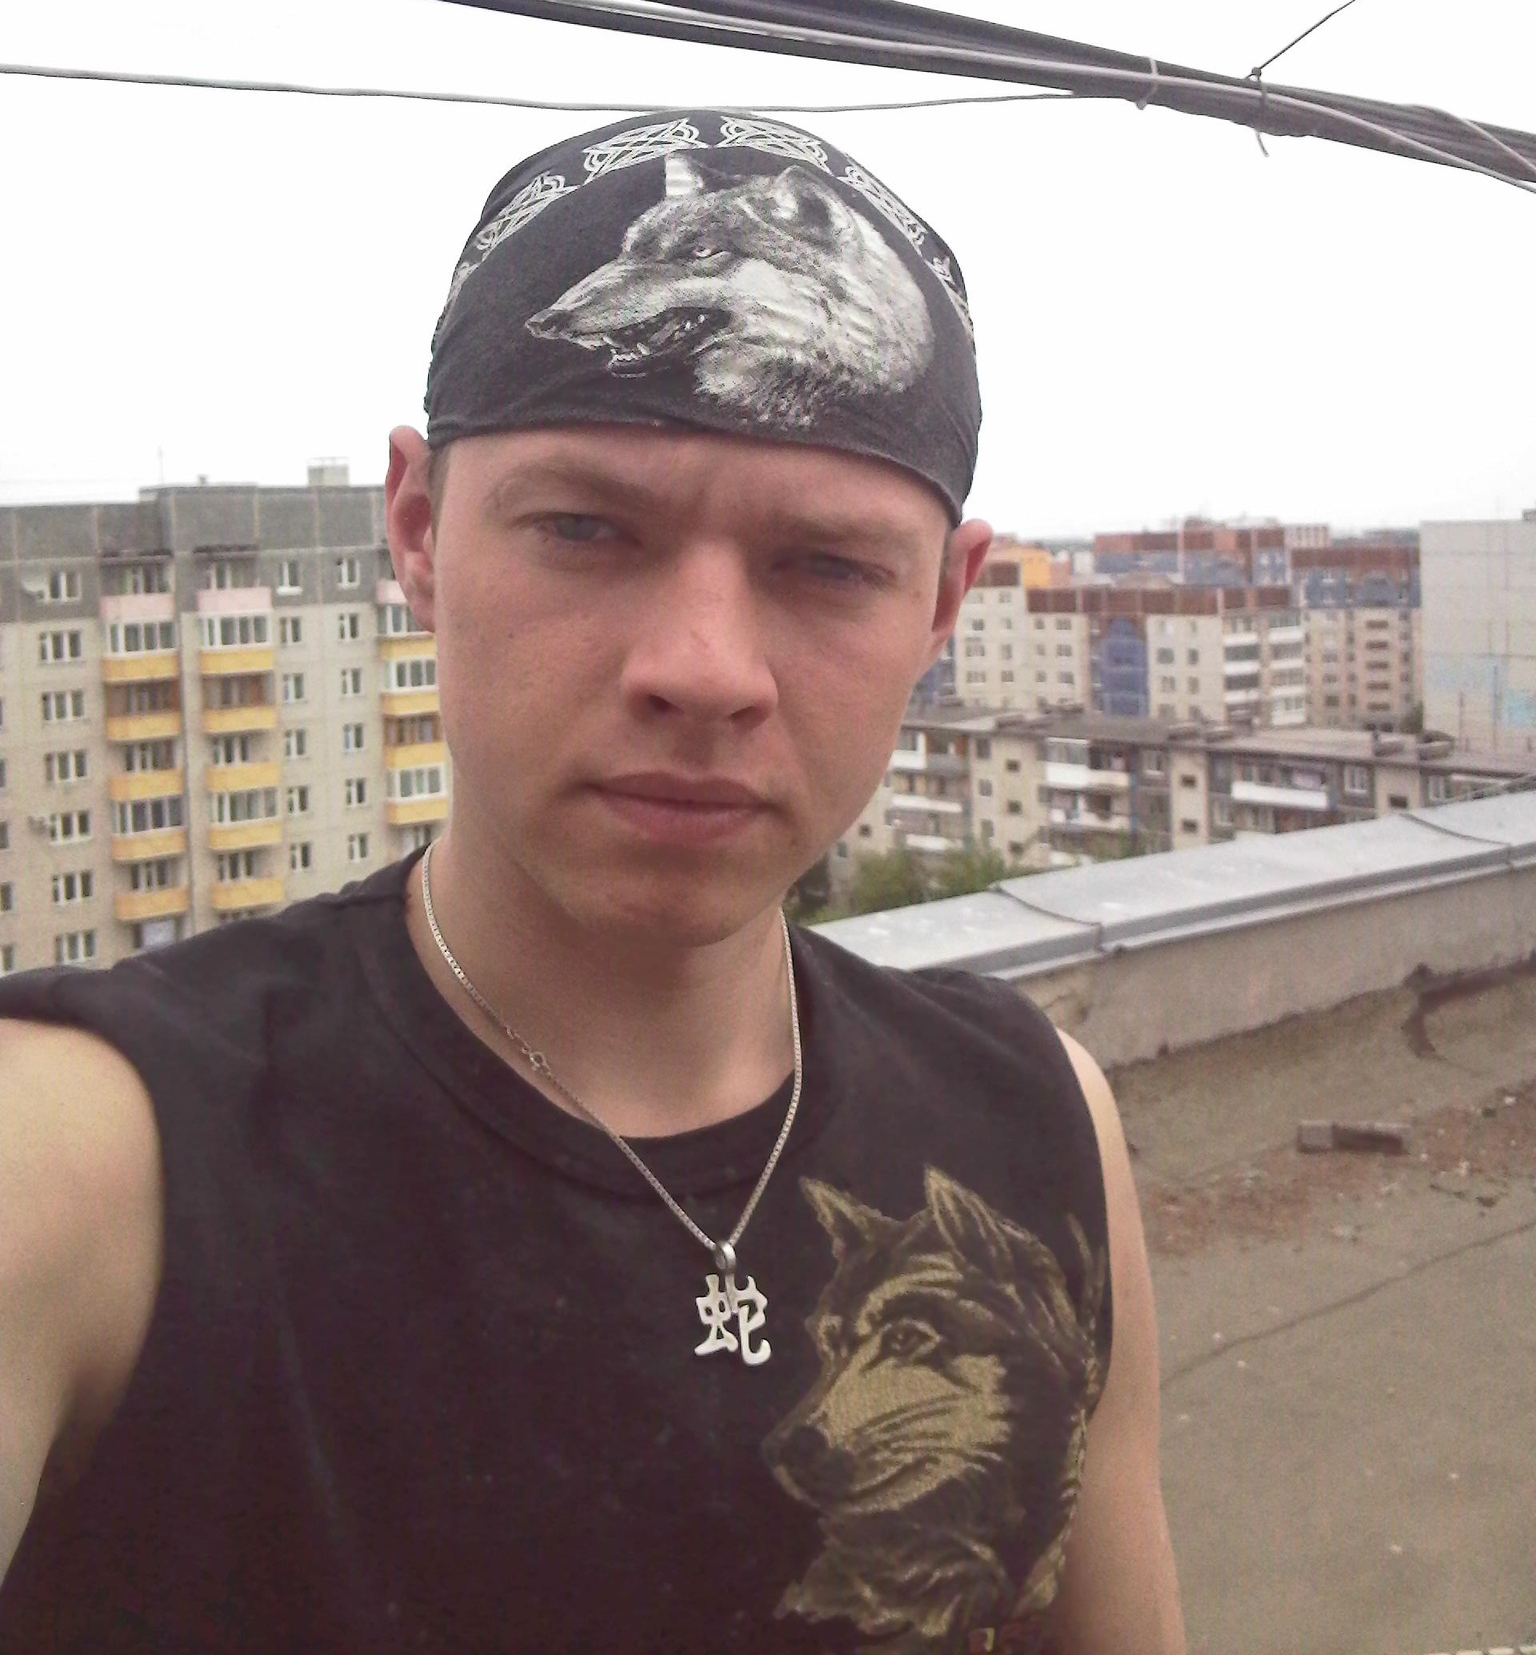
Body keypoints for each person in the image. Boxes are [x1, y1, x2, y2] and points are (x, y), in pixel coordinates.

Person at [0, 111, 1185, 1654]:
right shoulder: (98, 1167)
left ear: (945, 605)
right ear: (418, 533)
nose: (705, 669)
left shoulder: (1036, 1132)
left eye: (829, 567)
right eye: (585, 530)